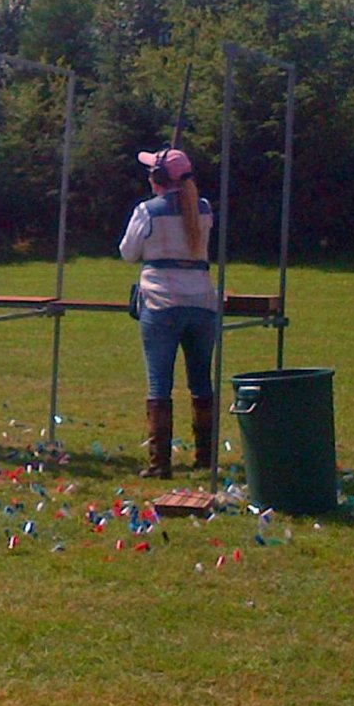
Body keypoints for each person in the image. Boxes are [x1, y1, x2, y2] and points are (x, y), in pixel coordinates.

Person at [118, 146, 217, 478]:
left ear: (158, 178)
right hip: (201, 302)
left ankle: (159, 464)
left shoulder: (147, 211)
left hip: (161, 303)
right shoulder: (203, 209)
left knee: (159, 383)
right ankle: (205, 457)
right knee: (201, 381)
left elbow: (128, 253)